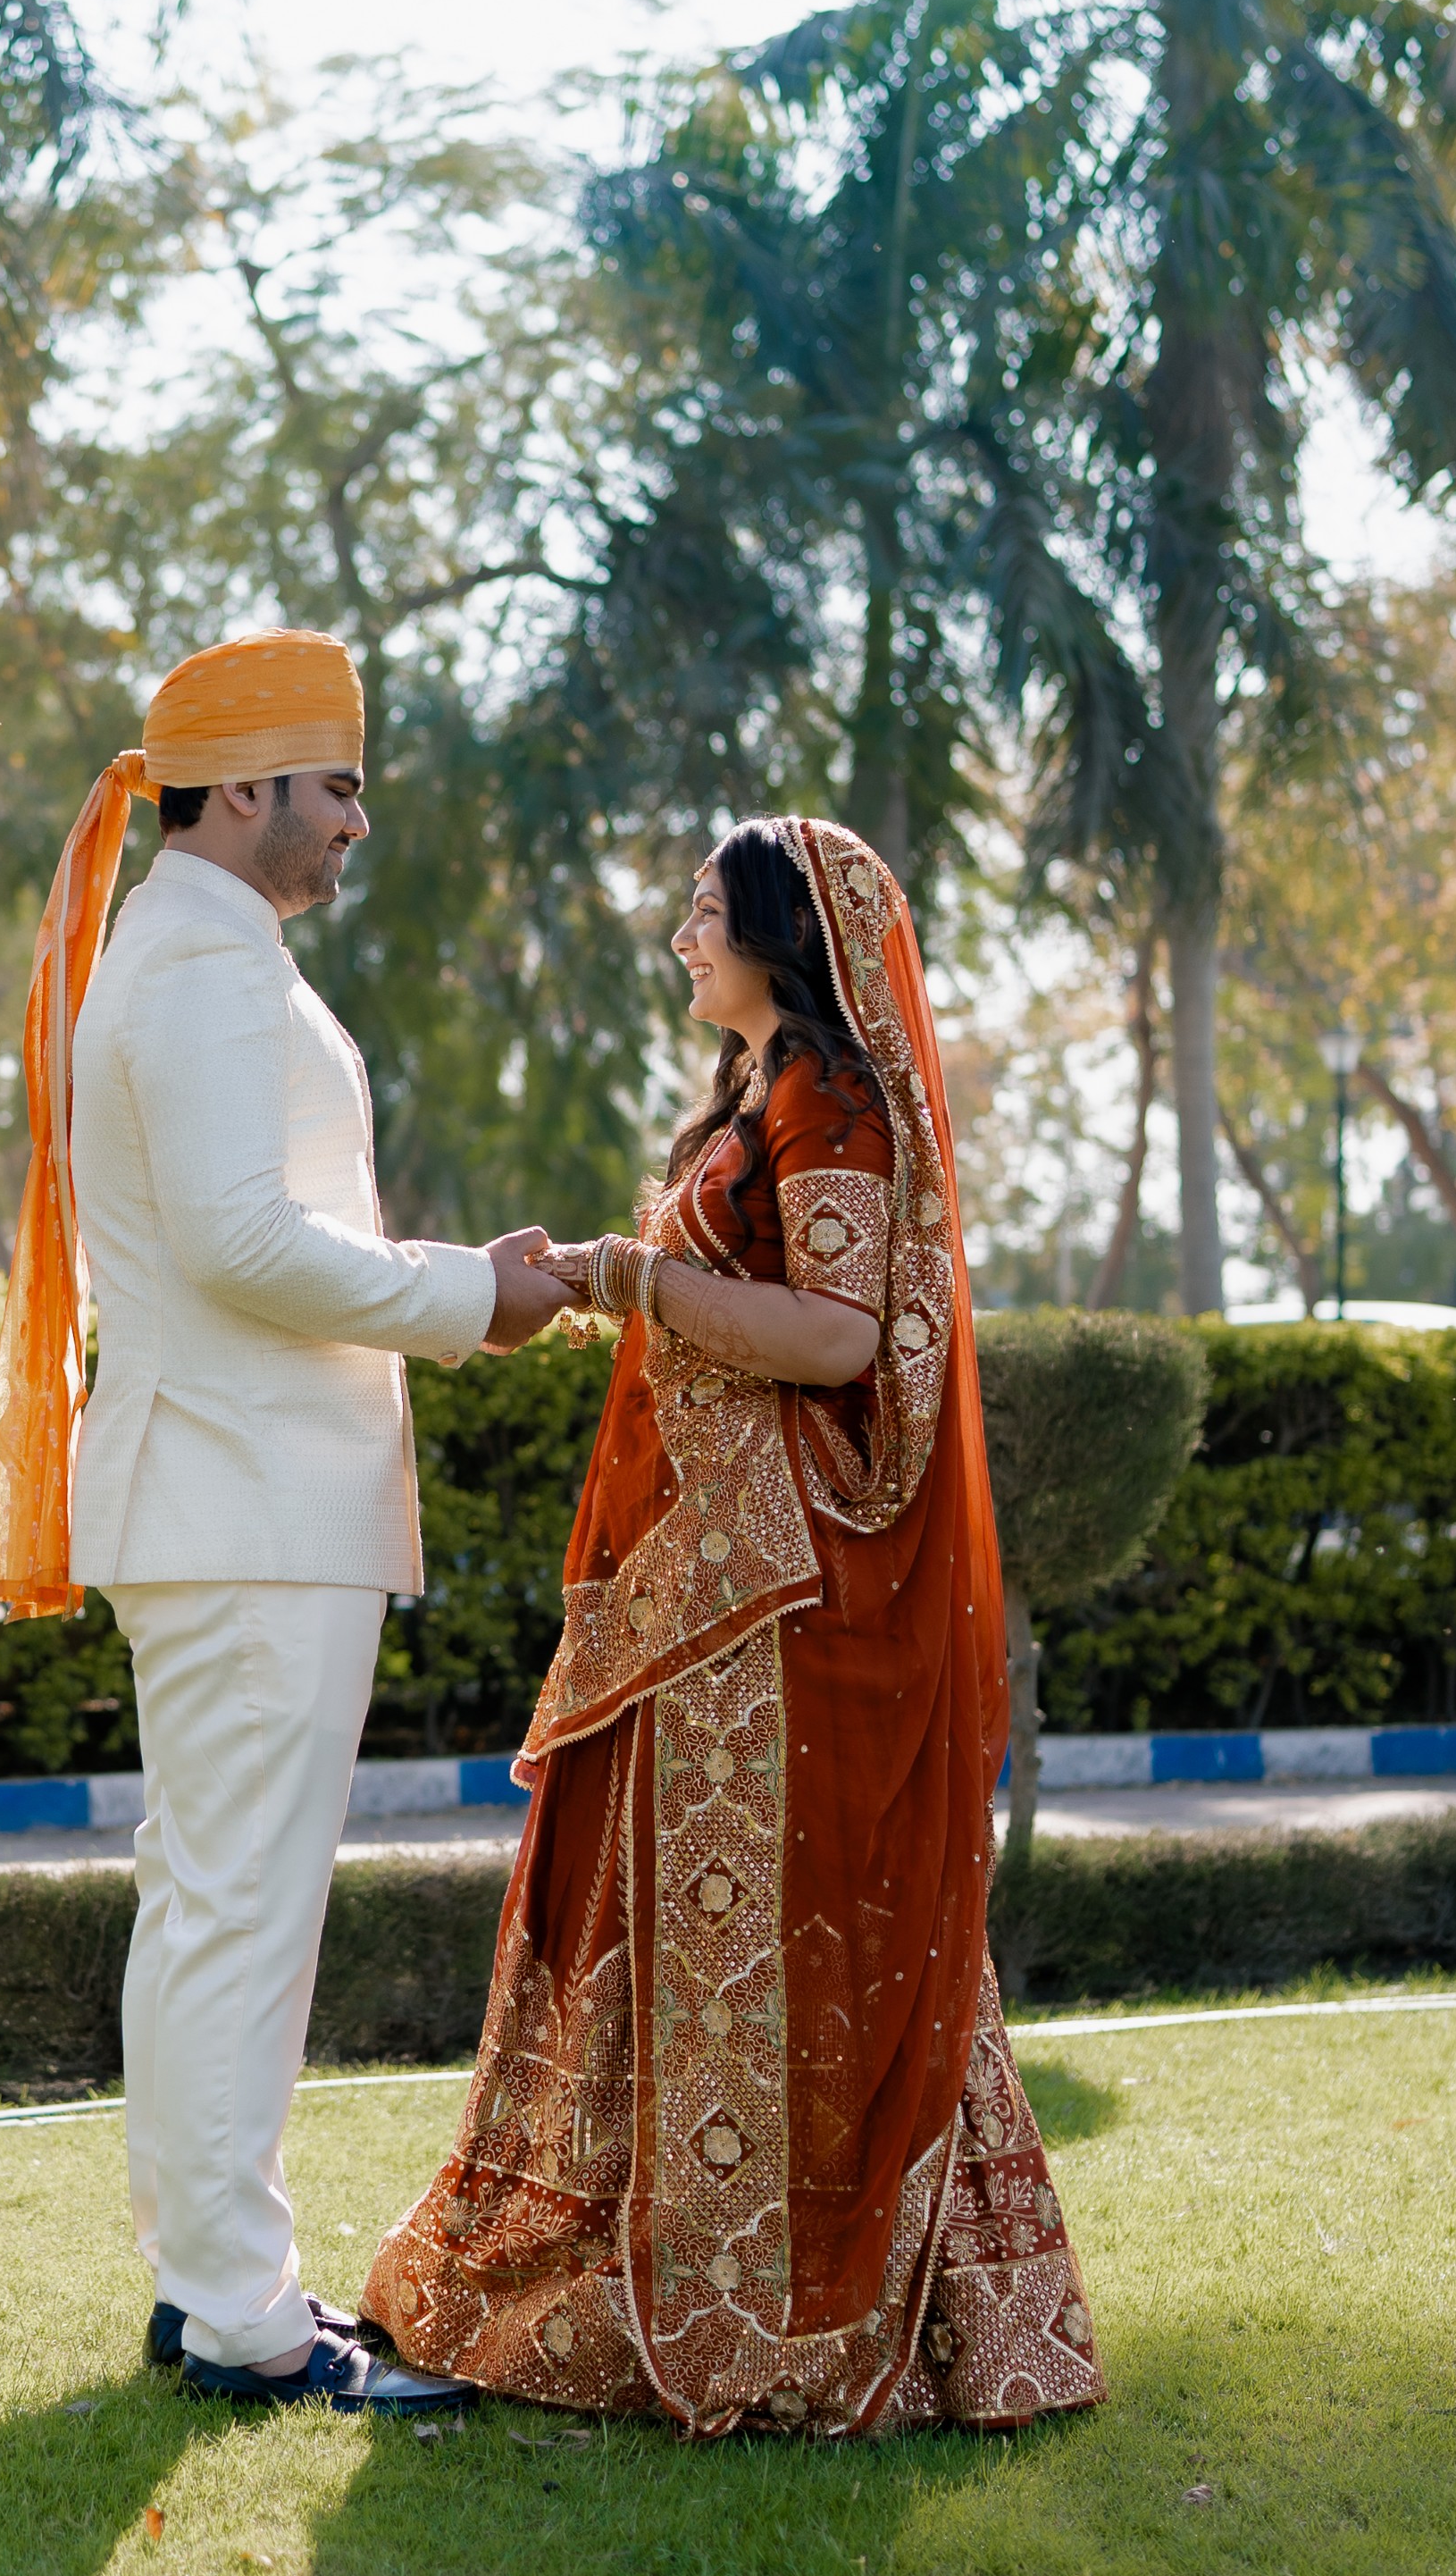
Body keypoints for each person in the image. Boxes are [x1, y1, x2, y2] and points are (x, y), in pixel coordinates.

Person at [364, 814, 1103, 2437]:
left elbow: (836, 1339)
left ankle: (766, 2306)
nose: (680, 937)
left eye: (704, 911)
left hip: (774, 1599)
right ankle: (642, 2256)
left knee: (769, 1924)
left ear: (780, 931)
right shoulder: (759, 1096)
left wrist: (634, 1277)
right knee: (656, 1906)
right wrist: (611, 1279)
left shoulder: (826, 1098)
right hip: (701, 1589)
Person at [0, 628, 575, 2408]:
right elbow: (246, 1240)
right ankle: (241, 2313)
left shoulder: (190, 952)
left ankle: (210, 2287)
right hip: (244, 1503)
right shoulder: (203, 969)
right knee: (237, 1915)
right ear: (240, 788)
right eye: (336, 786)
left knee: (209, 1905)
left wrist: (455, 1284)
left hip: (229, 1498)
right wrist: (471, 1294)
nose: (355, 820)